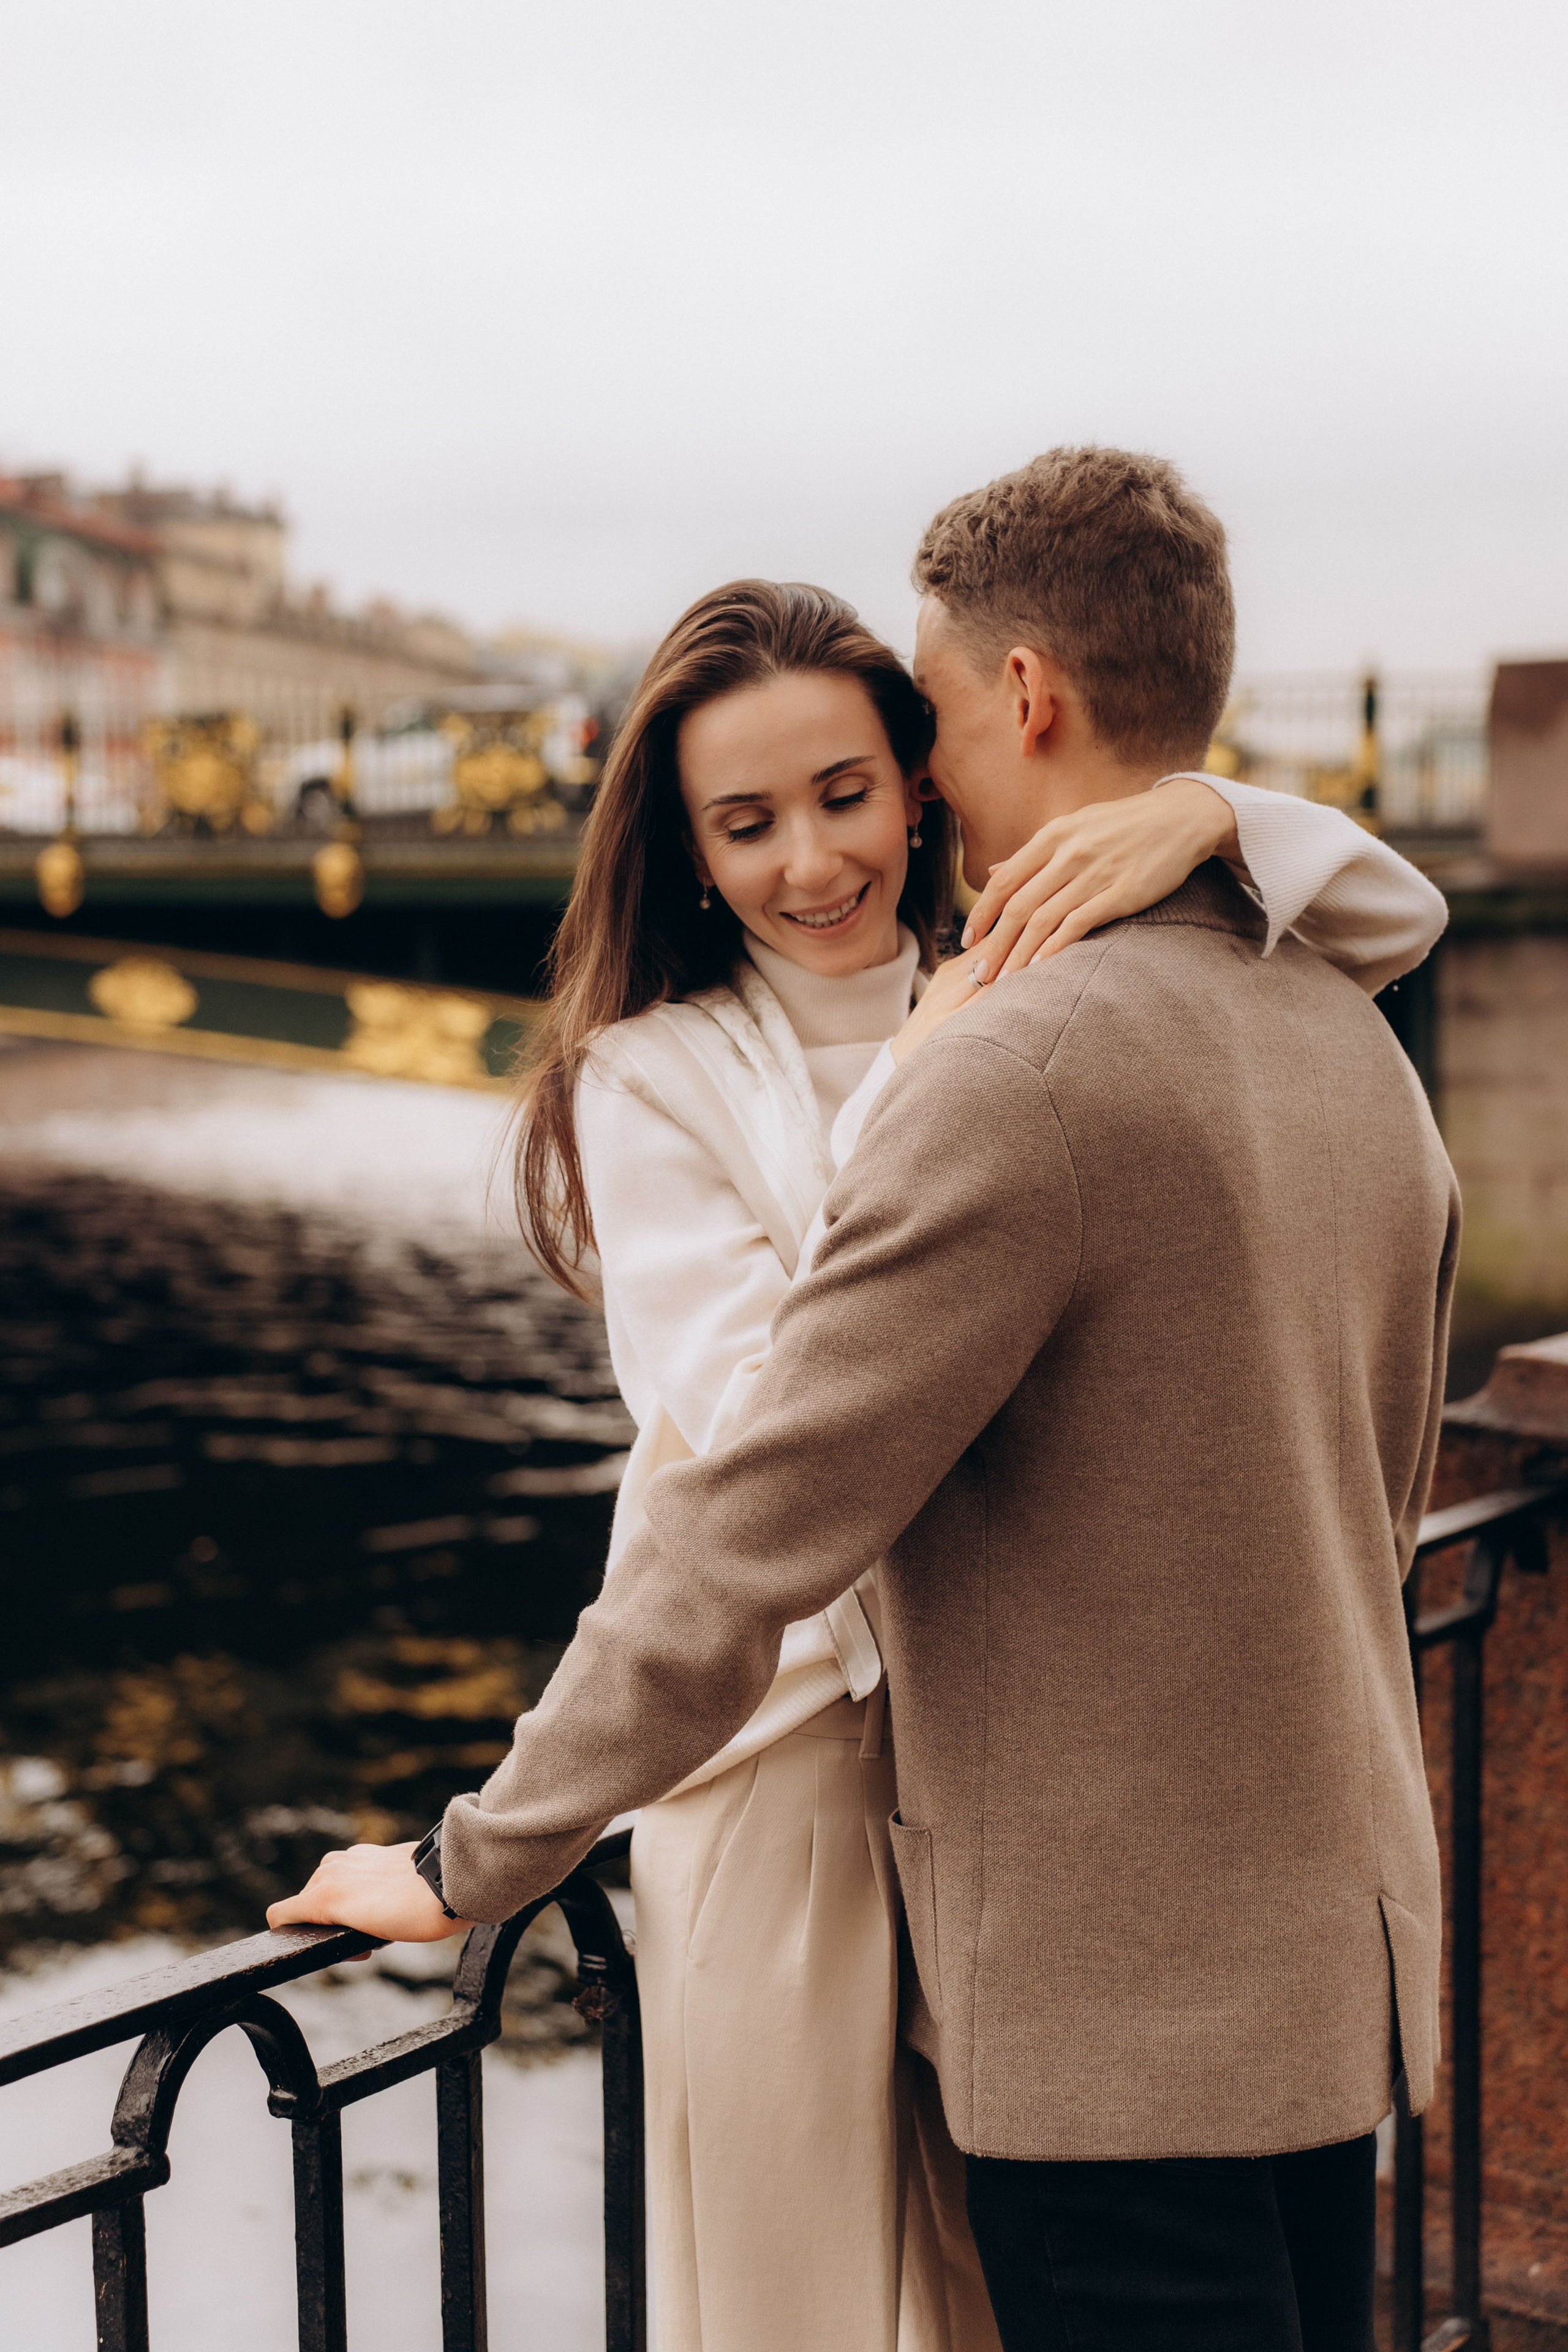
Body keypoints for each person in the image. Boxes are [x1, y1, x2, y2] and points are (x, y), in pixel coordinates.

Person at [272, 450, 1458, 2352]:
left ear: (1015, 702)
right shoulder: (1341, 1020)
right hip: (1333, 1964)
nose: (872, 823)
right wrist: (1214, 820)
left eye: (896, 751)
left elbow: (755, 1514)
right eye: (757, 818)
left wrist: (477, 1856)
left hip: (1102, 2002)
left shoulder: (1003, 1066)